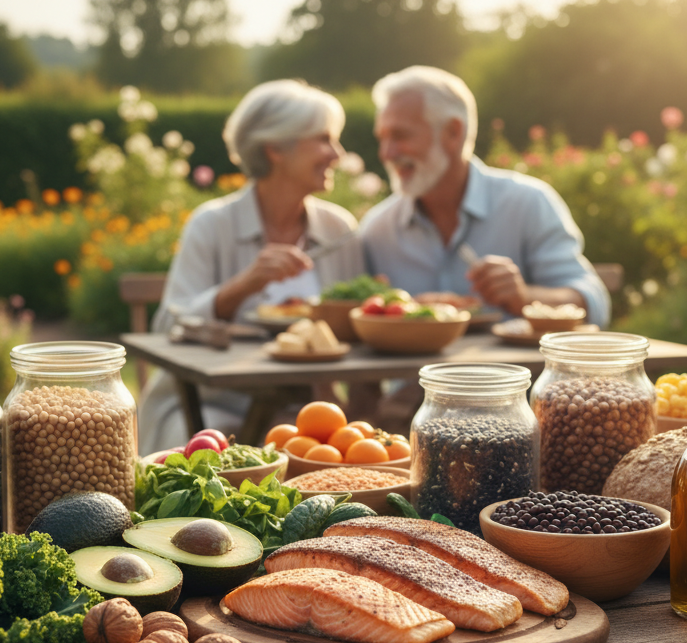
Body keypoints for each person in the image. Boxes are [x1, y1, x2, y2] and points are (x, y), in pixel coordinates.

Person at [138, 80, 366, 454]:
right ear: (275, 147)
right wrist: (241, 286)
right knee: (212, 449)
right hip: (212, 405)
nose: (337, 154)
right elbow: (167, 326)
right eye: (324, 139)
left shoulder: (338, 230)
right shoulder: (211, 224)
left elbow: (356, 329)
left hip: (310, 413)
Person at [360, 66, 610, 327]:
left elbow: (594, 304)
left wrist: (524, 297)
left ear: (453, 133)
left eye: (400, 135)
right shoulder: (377, 230)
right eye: (382, 138)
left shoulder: (528, 203)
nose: (386, 154)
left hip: (515, 369)